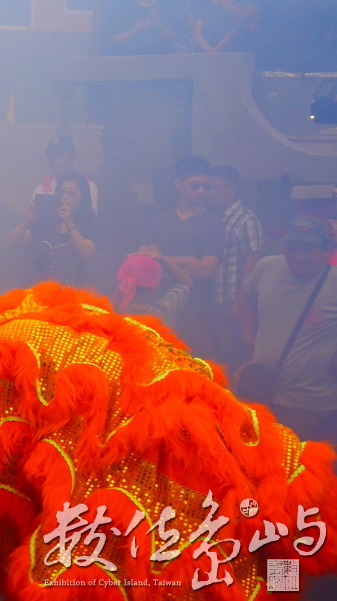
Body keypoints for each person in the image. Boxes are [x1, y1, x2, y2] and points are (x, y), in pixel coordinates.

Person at [236, 216, 337, 443]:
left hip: (312, 405)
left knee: (307, 470)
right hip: (262, 394)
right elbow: (245, 295)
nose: (298, 256)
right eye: (293, 248)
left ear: (328, 250)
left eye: (308, 250)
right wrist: (250, 337)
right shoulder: (267, 267)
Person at [136, 156, 224, 358]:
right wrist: (189, 261)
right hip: (157, 307)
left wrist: (162, 259)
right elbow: (144, 262)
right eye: (195, 185)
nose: (201, 191)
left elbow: (205, 269)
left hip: (195, 311)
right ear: (179, 184)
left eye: (205, 186)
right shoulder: (157, 221)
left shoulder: (214, 223)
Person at [207, 165, 262, 371]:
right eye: (209, 188)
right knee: (215, 354)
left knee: (231, 355)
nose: (211, 193)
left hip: (232, 300)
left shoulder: (246, 219)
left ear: (232, 189)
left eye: (216, 188)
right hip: (212, 298)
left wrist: (241, 301)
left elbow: (252, 262)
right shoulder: (213, 217)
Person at [12, 171, 97, 287]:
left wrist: (68, 223)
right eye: (61, 192)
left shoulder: (88, 223)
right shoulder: (47, 218)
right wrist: (27, 221)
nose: (65, 196)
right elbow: (14, 242)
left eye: (71, 193)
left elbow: (84, 253)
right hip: (39, 287)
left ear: (82, 197)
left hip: (72, 289)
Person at [107, 0, 181, 56]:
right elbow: (113, 41)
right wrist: (135, 30)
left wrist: (159, 24)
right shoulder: (124, 9)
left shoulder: (165, 7)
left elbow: (175, 39)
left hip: (162, 59)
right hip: (131, 61)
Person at [191, 0, 260, 54]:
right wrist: (208, 48)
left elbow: (235, 29)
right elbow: (197, 34)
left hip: (228, 52)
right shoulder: (204, 4)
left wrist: (217, 49)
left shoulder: (237, 4)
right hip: (204, 53)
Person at [115, 250, 193, 323]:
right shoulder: (162, 314)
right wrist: (162, 259)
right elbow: (186, 282)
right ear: (155, 288)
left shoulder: (107, 313)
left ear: (120, 282)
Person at [31, 134, 98, 213]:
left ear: (73, 156)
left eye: (60, 156)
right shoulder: (40, 190)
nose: (55, 161)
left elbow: (89, 220)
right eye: (51, 157)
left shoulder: (88, 187)